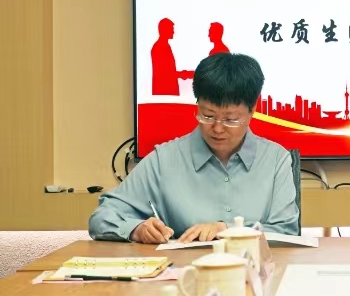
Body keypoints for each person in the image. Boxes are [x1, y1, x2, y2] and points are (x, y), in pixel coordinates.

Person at [90, 53, 298, 243]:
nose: (217, 128)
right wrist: (136, 229)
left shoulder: (275, 159)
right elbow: (102, 217)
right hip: (185, 270)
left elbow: (287, 231)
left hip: (257, 270)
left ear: (253, 110)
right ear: (197, 104)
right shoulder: (164, 160)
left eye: (231, 120)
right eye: (207, 116)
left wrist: (229, 230)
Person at [151, 18, 193, 96]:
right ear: (164, 30)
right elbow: (165, 73)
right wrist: (184, 74)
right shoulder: (159, 47)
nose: (173, 32)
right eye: (171, 29)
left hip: (167, 92)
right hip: (164, 92)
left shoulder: (165, 46)